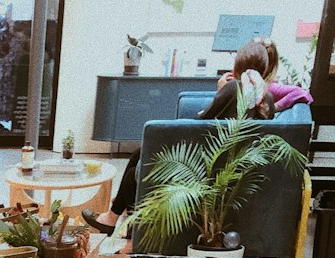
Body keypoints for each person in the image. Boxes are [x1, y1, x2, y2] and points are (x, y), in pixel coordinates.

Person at [83, 40, 275, 235]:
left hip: (204, 166)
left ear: (237, 65)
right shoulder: (266, 99)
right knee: (140, 153)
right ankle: (116, 219)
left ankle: (117, 220)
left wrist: (220, 91)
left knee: (138, 167)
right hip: (227, 165)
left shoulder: (233, 88)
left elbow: (198, 123)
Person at [259, 38, 314, 111]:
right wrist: (276, 106)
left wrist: (274, 107)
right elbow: (301, 93)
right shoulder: (269, 87)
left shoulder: (248, 85)